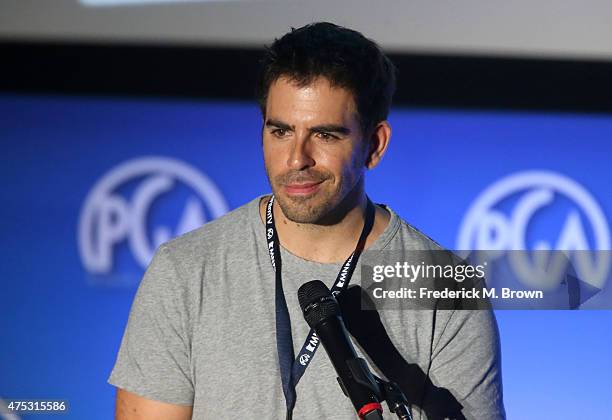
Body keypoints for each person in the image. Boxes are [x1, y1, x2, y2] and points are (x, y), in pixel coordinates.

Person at [108, 22, 505, 420]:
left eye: (325, 135)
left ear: (374, 145)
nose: (297, 159)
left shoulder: (444, 287)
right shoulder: (186, 269)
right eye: (280, 131)